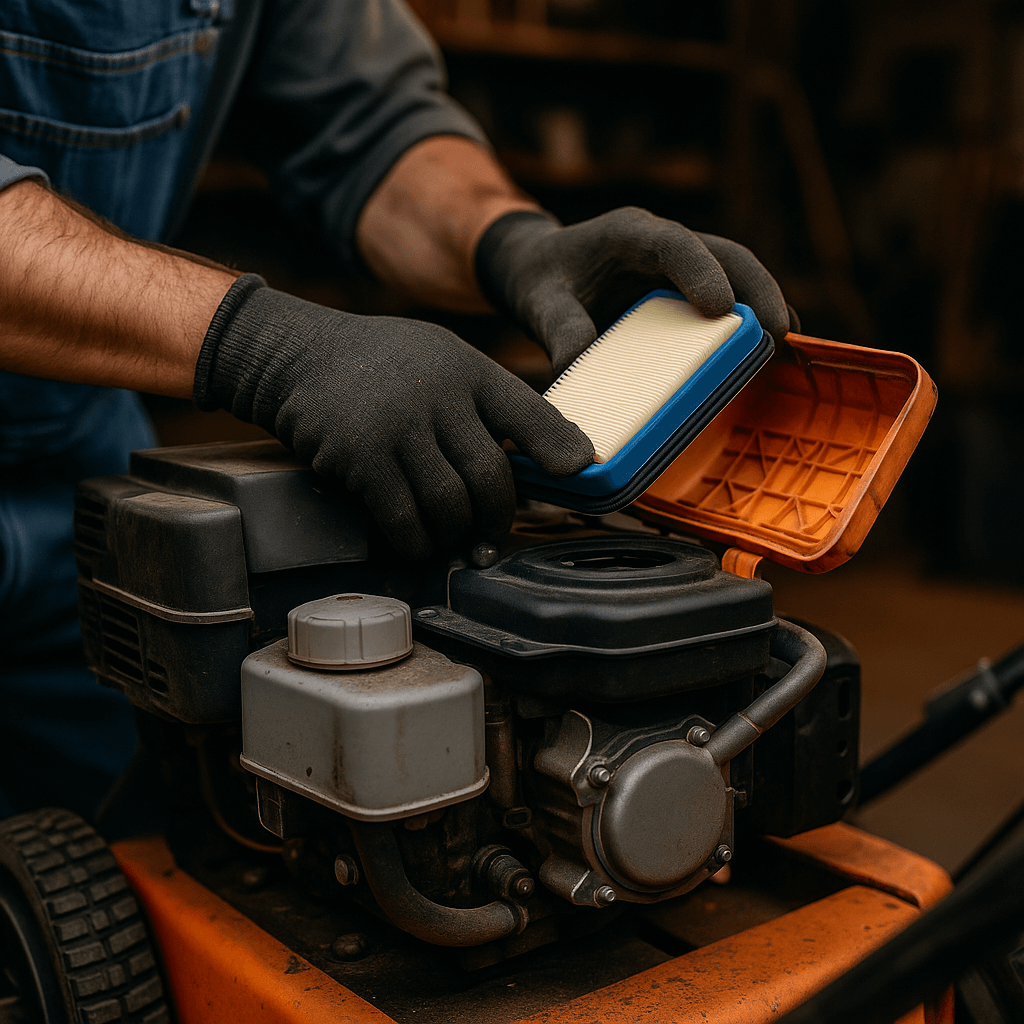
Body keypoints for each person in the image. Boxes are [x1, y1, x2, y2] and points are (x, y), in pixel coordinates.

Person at [0, 0, 793, 819]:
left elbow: (366, 124)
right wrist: (259, 344)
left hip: (75, 467)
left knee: (116, 858)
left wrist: (506, 240)